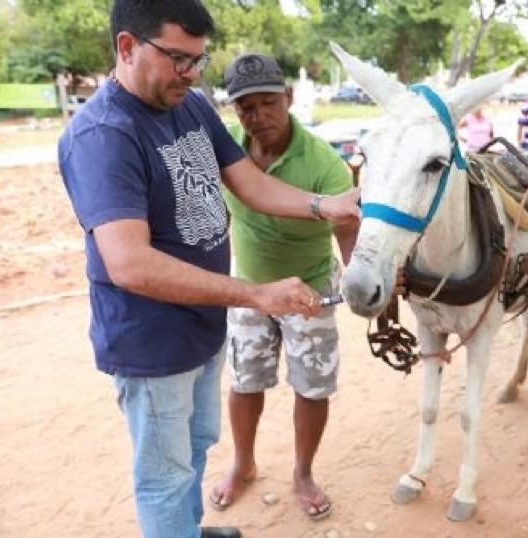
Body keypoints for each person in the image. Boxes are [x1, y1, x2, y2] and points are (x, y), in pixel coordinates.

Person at [56, 2, 359, 537]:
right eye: (178, 58)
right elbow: (128, 264)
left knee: (195, 445)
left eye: (198, 59)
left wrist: (323, 206)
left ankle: (188, 530)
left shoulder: (189, 107)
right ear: (127, 47)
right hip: (153, 344)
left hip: (202, 327)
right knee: (164, 476)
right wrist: (255, 294)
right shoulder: (103, 135)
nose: (192, 73)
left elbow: (250, 183)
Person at [207, 53, 357, 522]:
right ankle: (243, 463)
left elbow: (347, 225)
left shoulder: (326, 163)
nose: (259, 117)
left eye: (269, 103)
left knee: (312, 389)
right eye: (246, 107)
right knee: (245, 383)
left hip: (308, 292)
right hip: (250, 289)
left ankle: (302, 472)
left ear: (289, 99)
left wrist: (354, 275)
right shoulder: (226, 148)